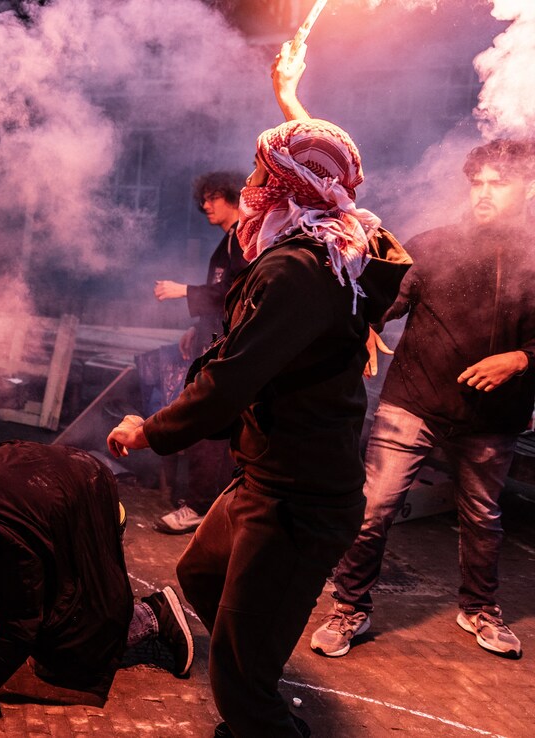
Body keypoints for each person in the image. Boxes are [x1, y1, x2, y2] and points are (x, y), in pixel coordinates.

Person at [106, 43, 411, 738]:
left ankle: (258, 704)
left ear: (290, 187)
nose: (249, 187)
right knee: (203, 575)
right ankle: (252, 644)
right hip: (270, 479)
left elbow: (229, 379)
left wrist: (149, 431)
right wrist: (291, 105)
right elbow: (336, 175)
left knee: (241, 690)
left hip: (298, 500)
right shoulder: (351, 244)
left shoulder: (299, 272)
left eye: (260, 174)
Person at [309, 138, 535, 661]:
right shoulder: (433, 245)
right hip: (411, 401)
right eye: (476, 183)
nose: (483, 193)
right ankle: (350, 606)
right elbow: (382, 301)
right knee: (373, 509)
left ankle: (479, 608)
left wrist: (520, 360)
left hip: (491, 419)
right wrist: (365, 323)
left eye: (498, 184)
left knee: (483, 517)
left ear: (526, 189)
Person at [0, 441, 194, 720]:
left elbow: (22, 624)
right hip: (62, 486)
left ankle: (151, 615)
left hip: (92, 505)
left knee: (56, 648)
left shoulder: (9, 542)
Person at [151, 171, 247, 533]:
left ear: (232, 197)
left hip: (229, 351)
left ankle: (200, 506)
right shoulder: (228, 241)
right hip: (216, 342)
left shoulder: (243, 240)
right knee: (213, 428)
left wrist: (184, 291)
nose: (205, 205)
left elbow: (235, 293)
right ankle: (211, 505)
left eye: (212, 198)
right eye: (203, 198)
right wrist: (197, 325)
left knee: (207, 425)